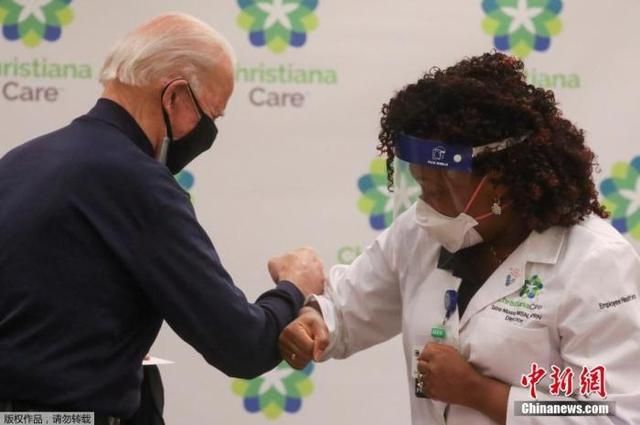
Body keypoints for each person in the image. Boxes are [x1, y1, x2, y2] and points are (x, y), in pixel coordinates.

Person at [278, 52, 640, 424]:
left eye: (442, 189)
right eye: (423, 186)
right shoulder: (420, 232)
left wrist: (481, 394)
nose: (429, 206)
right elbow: (347, 308)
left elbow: (614, 415)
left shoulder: (595, 262)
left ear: (501, 179)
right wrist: (314, 321)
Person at [0, 12, 324, 424]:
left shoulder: (18, 162)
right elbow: (242, 345)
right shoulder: (136, 182)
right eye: (211, 117)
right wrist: (294, 287)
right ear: (174, 96)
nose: (208, 134)